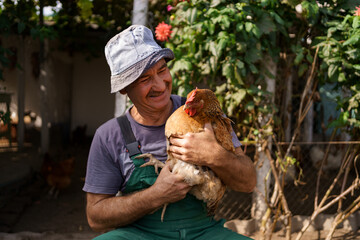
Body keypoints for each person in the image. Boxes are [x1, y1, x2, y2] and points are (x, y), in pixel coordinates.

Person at [83, 25, 256, 240]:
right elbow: (96, 217)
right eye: (145, 79)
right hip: (142, 235)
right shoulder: (109, 135)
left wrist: (215, 156)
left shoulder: (201, 111)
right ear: (124, 88)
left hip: (204, 232)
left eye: (162, 70)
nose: (160, 84)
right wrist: (155, 195)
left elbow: (248, 182)